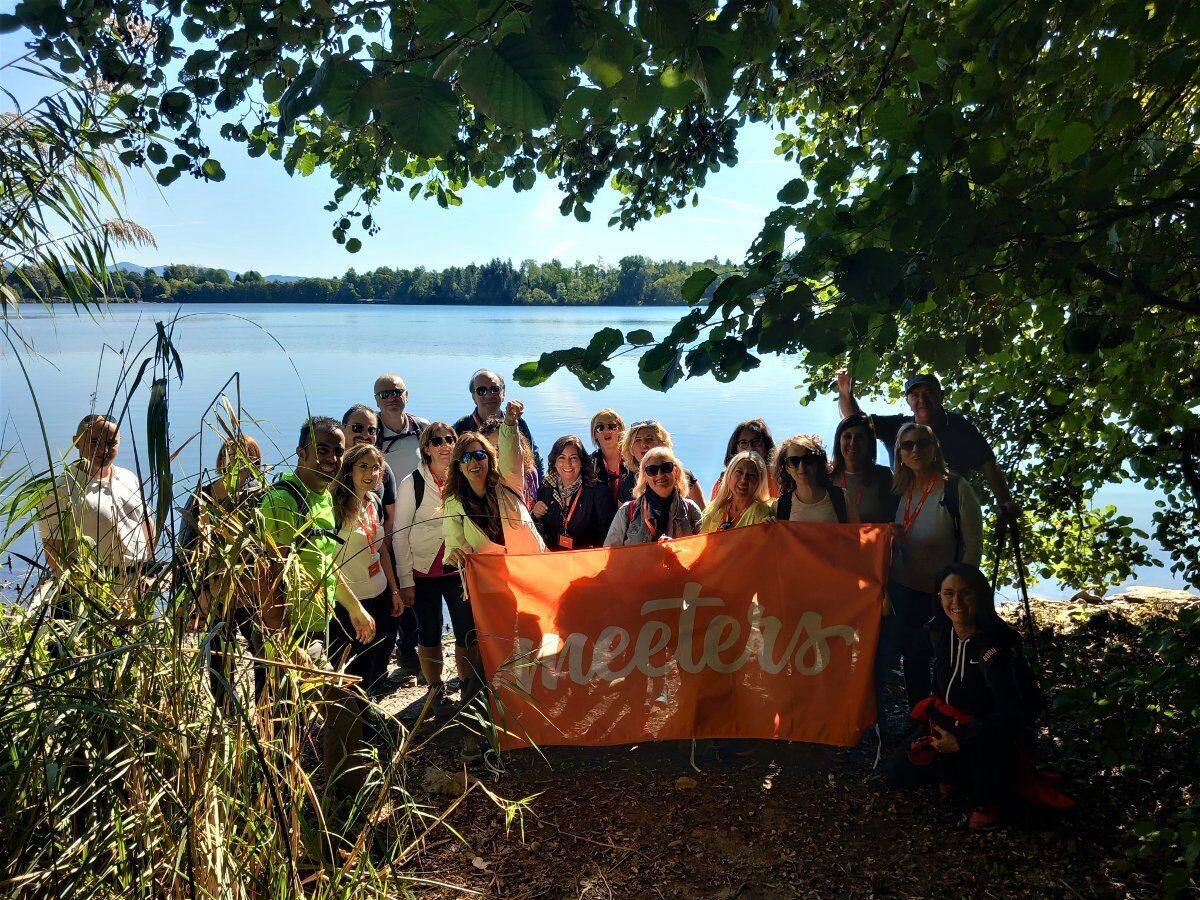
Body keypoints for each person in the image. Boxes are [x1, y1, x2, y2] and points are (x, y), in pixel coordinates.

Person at [884, 564, 1054, 830]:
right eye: (948, 594)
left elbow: (1011, 716)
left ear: (980, 596)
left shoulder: (996, 648)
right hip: (945, 725)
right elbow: (908, 650)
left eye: (965, 593)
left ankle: (986, 794)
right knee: (896, 772)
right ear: (938, 597)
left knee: (987, 787)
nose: (956, 602)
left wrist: (962, 743)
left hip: (987, 734)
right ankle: (953, 771)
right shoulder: (940, 631)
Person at [257, 417, 375, 796]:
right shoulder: (282, 499)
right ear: (302, 452)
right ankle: (342, 805)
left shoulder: (324, 497)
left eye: (338, 451)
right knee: (341, 708)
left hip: (317, 625)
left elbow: (321, 563)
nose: (332, 458)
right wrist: (280, 642)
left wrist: (353, 606)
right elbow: (269, 575)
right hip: (290, 633)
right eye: (323, 449)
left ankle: (306, 798)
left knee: (300, 718)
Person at [443, 402, 546, 753]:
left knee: (532, 642)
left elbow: (511, 453)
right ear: (458, 465)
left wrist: (510, 423)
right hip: (489, 590)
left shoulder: (510, 485)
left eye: (480, 455)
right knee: (490, 653)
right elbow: (453, 544)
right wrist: (455, 553)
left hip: (528, 580)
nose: (475, 462)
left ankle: (532, 715)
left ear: (489, 458)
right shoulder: (454, 504)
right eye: (467, 458)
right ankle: (476, 727)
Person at [885, 422, 983, 712]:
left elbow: (974, 546)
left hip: (941, 594)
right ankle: (918, 715)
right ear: (899, 453)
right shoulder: (899, 490)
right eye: (907, 445)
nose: (915, 450)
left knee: (945, 656)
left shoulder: (955, 487)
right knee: (913, 657)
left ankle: (948, 716)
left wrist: (957, 594)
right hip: (903, 589)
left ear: (934, 449)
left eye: (922, 443)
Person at [837, 370, 1016, 514]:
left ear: (941, 395)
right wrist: (846, 392)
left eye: (928, 392)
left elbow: (989, 466)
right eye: (915, 395)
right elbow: (856, 421)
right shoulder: (897, 426)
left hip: (950, 509)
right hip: (905, 507)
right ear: (908, 401)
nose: (922, 399)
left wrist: (1005, 503)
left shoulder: (960, 427)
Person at [393, 422, 477, 715]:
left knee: (467, 631)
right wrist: (405, 581)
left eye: (450, 440)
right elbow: (400, 535)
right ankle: (435, 689)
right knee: (428, 632)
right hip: (422, 572)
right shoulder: (411, 483)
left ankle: (467, 687)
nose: (445, 446)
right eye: (437, 441)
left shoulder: (463, 478)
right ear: (426, 447)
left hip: (457, 570)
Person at [177, 434, 266, 707]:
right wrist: (191, 597)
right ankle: (226, 713)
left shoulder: (262, 495)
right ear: (221, 461)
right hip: (213, 591)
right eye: (232, 455)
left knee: (261, 651)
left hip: (251, 591)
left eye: (249, 456)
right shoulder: (202, 497)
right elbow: (187, 549)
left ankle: (265, 709)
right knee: (218, 654)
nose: (240, 462)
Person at [39, 414, 154, 615]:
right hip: (89, 593)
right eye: (94, 441)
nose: (104, 449)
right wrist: (85, 594)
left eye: (111, 442)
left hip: (134, 589)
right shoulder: (60, 489)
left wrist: (149, 572)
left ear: (120, 442)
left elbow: (147, 525)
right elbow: (54, 552)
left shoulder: (129, 478)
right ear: (76, 441)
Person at [344, 403, 420, 677]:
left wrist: (394, 588)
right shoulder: (329, 490)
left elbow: (386, 527)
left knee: (382, 639)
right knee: (351, 653)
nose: (365, 434)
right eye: (357, 428)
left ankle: (375, 688)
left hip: (378, 575)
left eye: (371, 430)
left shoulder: (376, 491)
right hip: (346, 592)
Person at [330, 443, 405, 694]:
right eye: (364, 466)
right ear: (348, 469)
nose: (371, 473)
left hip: (380, 592)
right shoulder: (333, 507)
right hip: (351, 602)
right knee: (354, 667)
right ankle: (357, 723)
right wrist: (354, 607)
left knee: (378, 658)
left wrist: (394, 591)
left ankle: (369, 713)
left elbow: (381, 548)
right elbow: (326, 562)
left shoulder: (373, 500)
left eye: (376, 467)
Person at [532, 435, 618, 550]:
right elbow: (537, 534)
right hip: (553, 560)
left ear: (581, 461)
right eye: (561, 457)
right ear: (555, 462)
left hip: (588, 560)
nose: (567, 464)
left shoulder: (599, 492)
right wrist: (534, 515)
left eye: (573, 458)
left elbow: (608, 536)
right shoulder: (545, 490)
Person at [605, 447, 703, 546]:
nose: (660, 474)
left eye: (666, 467)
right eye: (652, 470)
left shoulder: (691, 509)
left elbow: (705, 551)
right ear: (645, 476)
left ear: (676, 471)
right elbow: (609, 554)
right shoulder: (627, 511)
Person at [453, 369, 543, 476]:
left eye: (494, 389)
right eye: (481, 391)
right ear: (473, 397)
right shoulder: (460, 428)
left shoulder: (518, 423)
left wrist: (538, 490)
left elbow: (535, 460)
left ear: (503, 393)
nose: (489, 395)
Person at [616, 420, 706, 508]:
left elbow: (703, 518)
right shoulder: (626, 483)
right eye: (638, 440)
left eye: (649, 439)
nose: (643, 444)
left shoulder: (684, 476)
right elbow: (622, 520)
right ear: (631, 450)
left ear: (662, 444)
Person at [771, 434, 857, 523]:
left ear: (817, 462)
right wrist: (767, 526)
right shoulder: (779, 507)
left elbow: (854, 535)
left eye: (808, 459)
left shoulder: (844, 498)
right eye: (794, 461)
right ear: (787, 468)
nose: (802, 466)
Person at [829, 414, 899, 524]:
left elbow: (893, 520)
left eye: (860, 437)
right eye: (847, 436)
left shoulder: (884, 477)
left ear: (869, 443)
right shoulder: (828, 477)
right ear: (838, 441)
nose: (853, 443)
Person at [699, 450, 773, 532]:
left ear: (759, 482)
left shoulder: (761, 512)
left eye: (751, 475)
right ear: (729, 475)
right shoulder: (713, 509)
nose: (744, 480)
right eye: (739, 472)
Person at [373, 373, 429, 479]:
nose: (391, 398)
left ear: (406, 395)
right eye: (384, 394)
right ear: (376, 400)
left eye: (396, 393)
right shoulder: (369, 431)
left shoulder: (422, 427)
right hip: (383, 495)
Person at [478, 416, 540, 510]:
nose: (498, 453)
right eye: (492, 448)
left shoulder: (530, 472)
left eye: (503, 446)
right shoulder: (483, 482)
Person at [709, 419, 780, 500]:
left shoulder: (779, 476)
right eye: (743, 442)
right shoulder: (723, 479)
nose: (750, 447)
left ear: (766, 446)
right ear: (735, 449)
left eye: (756, 441)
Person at [588, 408, 627, 502]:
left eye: (611, 426)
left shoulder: (633, 458)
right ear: (594, 435)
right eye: (600, 427)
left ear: (620, 429)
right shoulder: (589, 463)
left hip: (630, 513)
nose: (606, 430)